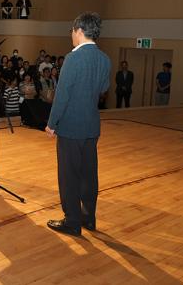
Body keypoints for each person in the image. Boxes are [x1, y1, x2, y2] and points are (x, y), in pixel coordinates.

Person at [45, 12, 111, 236]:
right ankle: (88, 218)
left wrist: (52, 123)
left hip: (71, 127)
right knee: (88, 175)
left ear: (79, 31)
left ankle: (72, 221)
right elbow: (103, 90)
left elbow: (62, 95)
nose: (71, 35)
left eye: (72, 31)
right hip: (91, 126)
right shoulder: (104, 59)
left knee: (69, 176)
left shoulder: (73, 59)